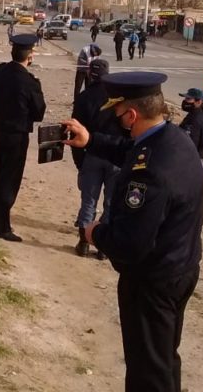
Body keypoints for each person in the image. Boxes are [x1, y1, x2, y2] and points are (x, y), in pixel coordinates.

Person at [61, 71, 203, 392]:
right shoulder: (174, 140)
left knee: (146, 372)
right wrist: (92, 140)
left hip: (152, 282)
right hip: (181, 267)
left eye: (117, 110)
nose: (114, 115)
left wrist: (94, 234)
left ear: (131, 114)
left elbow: (131, 244)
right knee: (164, 358)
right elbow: (132, 152)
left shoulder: (151, 172)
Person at [0, 34, 46, 242]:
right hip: (16, 136)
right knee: (8, 180)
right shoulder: (29, 82)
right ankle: (1, 225)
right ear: (30, 57)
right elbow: (39, 112)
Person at [71, 59, 121, 258]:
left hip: (92, 155)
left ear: (90, 74)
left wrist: (79, 162)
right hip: (116, 156)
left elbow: (74, 131)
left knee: (88, 201)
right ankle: (103, 247)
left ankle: (84, 242)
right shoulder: (119, 97)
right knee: (111, 202)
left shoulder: (84, 98)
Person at [178, 87, 203, 177]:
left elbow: (191, 143)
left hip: (192, 162)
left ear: (198, 102)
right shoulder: (193, 115)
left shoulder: (196, 120)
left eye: (188, 99)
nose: (185, 101)